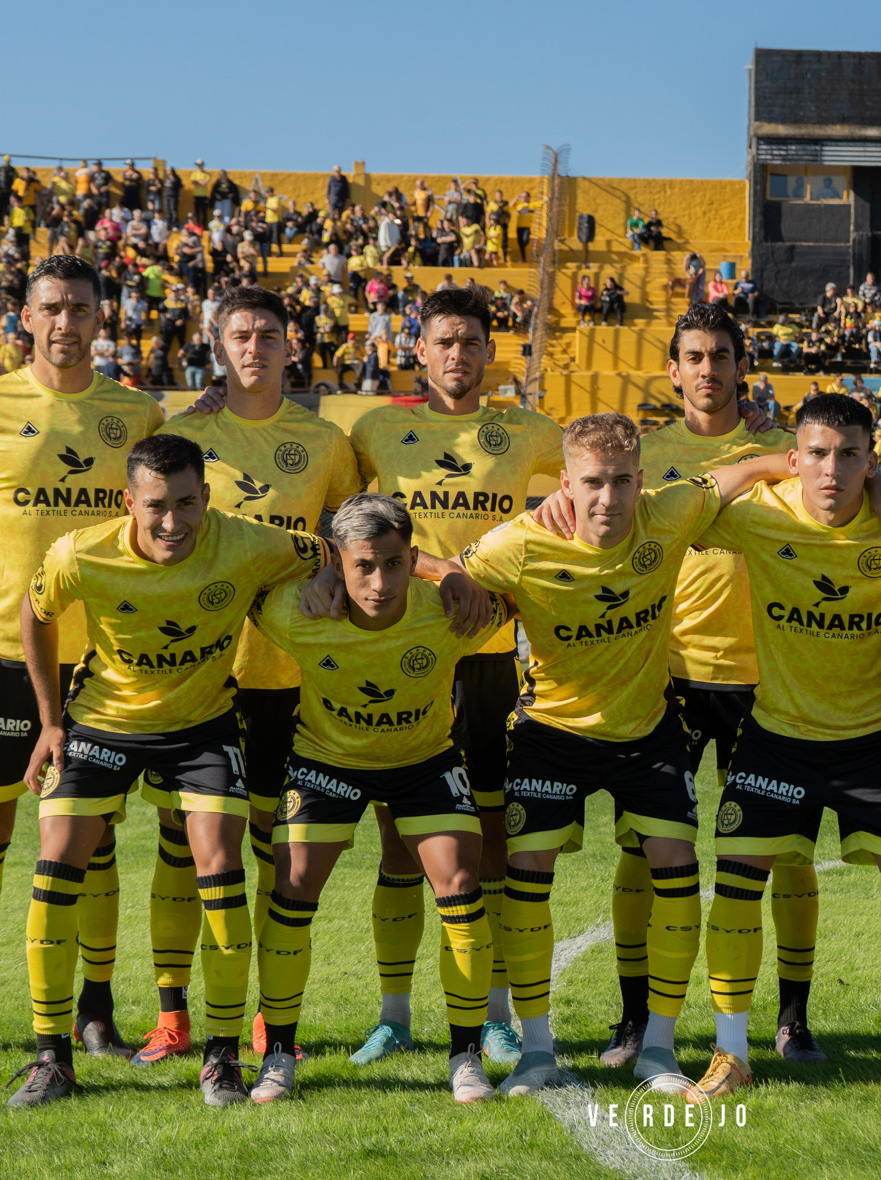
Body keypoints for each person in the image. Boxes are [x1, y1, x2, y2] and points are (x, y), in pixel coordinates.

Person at [457, 413, 822, 1096]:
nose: (608, 498)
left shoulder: (669, 512)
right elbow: (450, 574)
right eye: (592, 483)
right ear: (565, 483)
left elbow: (749, 471)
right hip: (550, 734)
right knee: (526, 875)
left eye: (622, 481)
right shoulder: (524, 542)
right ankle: (536, 1054)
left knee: (676, 868)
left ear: (642, 481)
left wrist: (840, 471)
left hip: (647, 732)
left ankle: (658, 1049)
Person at [685, 393, 881, 1107]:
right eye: (817, 455)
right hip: (776, 736)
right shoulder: (761, 514)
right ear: (797, 458)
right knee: (736, 892)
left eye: (851, 455)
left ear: (872, 459)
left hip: (878, 739)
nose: (832, 471)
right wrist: (769, 462)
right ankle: (730, 1055)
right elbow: (676, 507)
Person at [9, 433, 333, 1108]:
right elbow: (34, 615)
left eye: (187, 503)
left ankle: (220, 1057)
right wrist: (49, 719)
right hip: (102, 723)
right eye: (156, 505)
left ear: (206, 497)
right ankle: (51, 1058)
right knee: (56, 857)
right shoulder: (79, 553)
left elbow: (337, 552)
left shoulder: (249, 540)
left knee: (219, 859)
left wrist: (434, 571)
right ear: (129, 501)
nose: (172, 522)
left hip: (201, 726)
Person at [0, 254, 165, 1062]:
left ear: (100, 318)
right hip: (0, 654)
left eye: (80, 309)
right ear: (24, 317)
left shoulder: (138, 414)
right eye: (50, 308)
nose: (65, 322)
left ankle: (94, 1006)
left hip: (102, 662)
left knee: (89, 833)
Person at [127, 286, 362, 1066]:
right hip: (199, 676)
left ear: (291, 345)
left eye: (268, 333)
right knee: (178, 845)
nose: (253, 345)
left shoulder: (325, 443)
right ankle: (172, 1015)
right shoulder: (184, 432)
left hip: (290, 677)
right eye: (239, 333)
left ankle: (269, 1019)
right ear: (216, 343)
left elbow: (345, 545)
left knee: (273, 850)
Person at [340, 285, 566, 1069]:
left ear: (488, 353)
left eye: (471, 341)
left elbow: (601, 469)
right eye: (444, 342)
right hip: (398, 659)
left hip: (490, 662)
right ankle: (394, 1013)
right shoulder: (375, 429)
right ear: (421, 351)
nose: (458, 355)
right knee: (400, 839)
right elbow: (335, 521)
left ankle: (495, 1012)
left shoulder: (523, 431)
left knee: (492, 839)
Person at [594, 303, 809, 1065]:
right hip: (668, 678)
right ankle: (632, 1019)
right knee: (643, 849)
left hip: (770, 679)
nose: (709, 369)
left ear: (740, 365)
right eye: (695, 356)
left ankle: (793, 1019)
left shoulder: (790, 451)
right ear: (673, 369)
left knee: (784, 853)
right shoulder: (643, 455)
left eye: (722, 355)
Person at [245, 493, 504, 1102]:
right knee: (293, 884)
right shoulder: (296, 612)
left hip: (423, 762)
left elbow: (523, 591)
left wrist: (452, 571)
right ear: (339, 561)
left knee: (461, 882)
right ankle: (278, 1054)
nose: (380, 581)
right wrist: (314, 574)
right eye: (363, 565)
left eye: (393, 564)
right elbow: (241, 578)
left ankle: (465, 1057)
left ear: (412, 558)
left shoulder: (451, 612)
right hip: (326, 762)